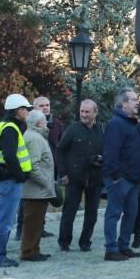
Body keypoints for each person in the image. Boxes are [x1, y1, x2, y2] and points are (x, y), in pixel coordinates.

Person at [0, 93, 34, 267]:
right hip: (9, 181)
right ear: (19, 110)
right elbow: (10, 156)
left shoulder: (4, 126)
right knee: (5, 221)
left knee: (4, 219)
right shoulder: (10, 129)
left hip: (5, 179)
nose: (27, 113)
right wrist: (20, 175)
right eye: (26, 110)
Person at [101, 87, 140, 262]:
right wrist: (115, 176)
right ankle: (111, 249)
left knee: (131, 213)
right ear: (123, 103)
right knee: (114, 213)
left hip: (134, 178)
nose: (137, 102)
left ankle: (123, 246)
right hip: (121, 179)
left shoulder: (133, 123)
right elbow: (110, 152)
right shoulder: (116, 124)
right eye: (134, 100)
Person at [56, 98, 104, 252]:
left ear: (95, 113)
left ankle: (85, 242)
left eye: (87, 112)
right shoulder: (72, 129)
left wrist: (102, 160)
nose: (83, 114)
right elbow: (60, 150)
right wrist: (63, 173)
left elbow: (108, 150)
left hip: (95, 178)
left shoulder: (102, 129)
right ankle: (64, 242)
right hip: (74, 178)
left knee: (92, 213)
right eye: (82, 111)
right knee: (69, 212)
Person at [16, 96, 63, 239]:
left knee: (43, 200)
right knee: (27, 201)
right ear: (34, 108)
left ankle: (40, 227)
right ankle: (21, 230)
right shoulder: (27, 126)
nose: (45, 107)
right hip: (33, 169)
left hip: (50, 167)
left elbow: (60, 144)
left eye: (47, 105)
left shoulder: (56, 123)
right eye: (41, 105)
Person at [20, 110, 54, 262]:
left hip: (37, 190)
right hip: (36, 190)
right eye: (44, 120)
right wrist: (47, 182)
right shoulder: (34, 138)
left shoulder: (34, 136)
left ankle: (34, 249)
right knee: (33, 222)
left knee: (36, 222)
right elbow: (33, 165)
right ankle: (28, 252)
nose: (47, 122)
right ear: (39, 123)